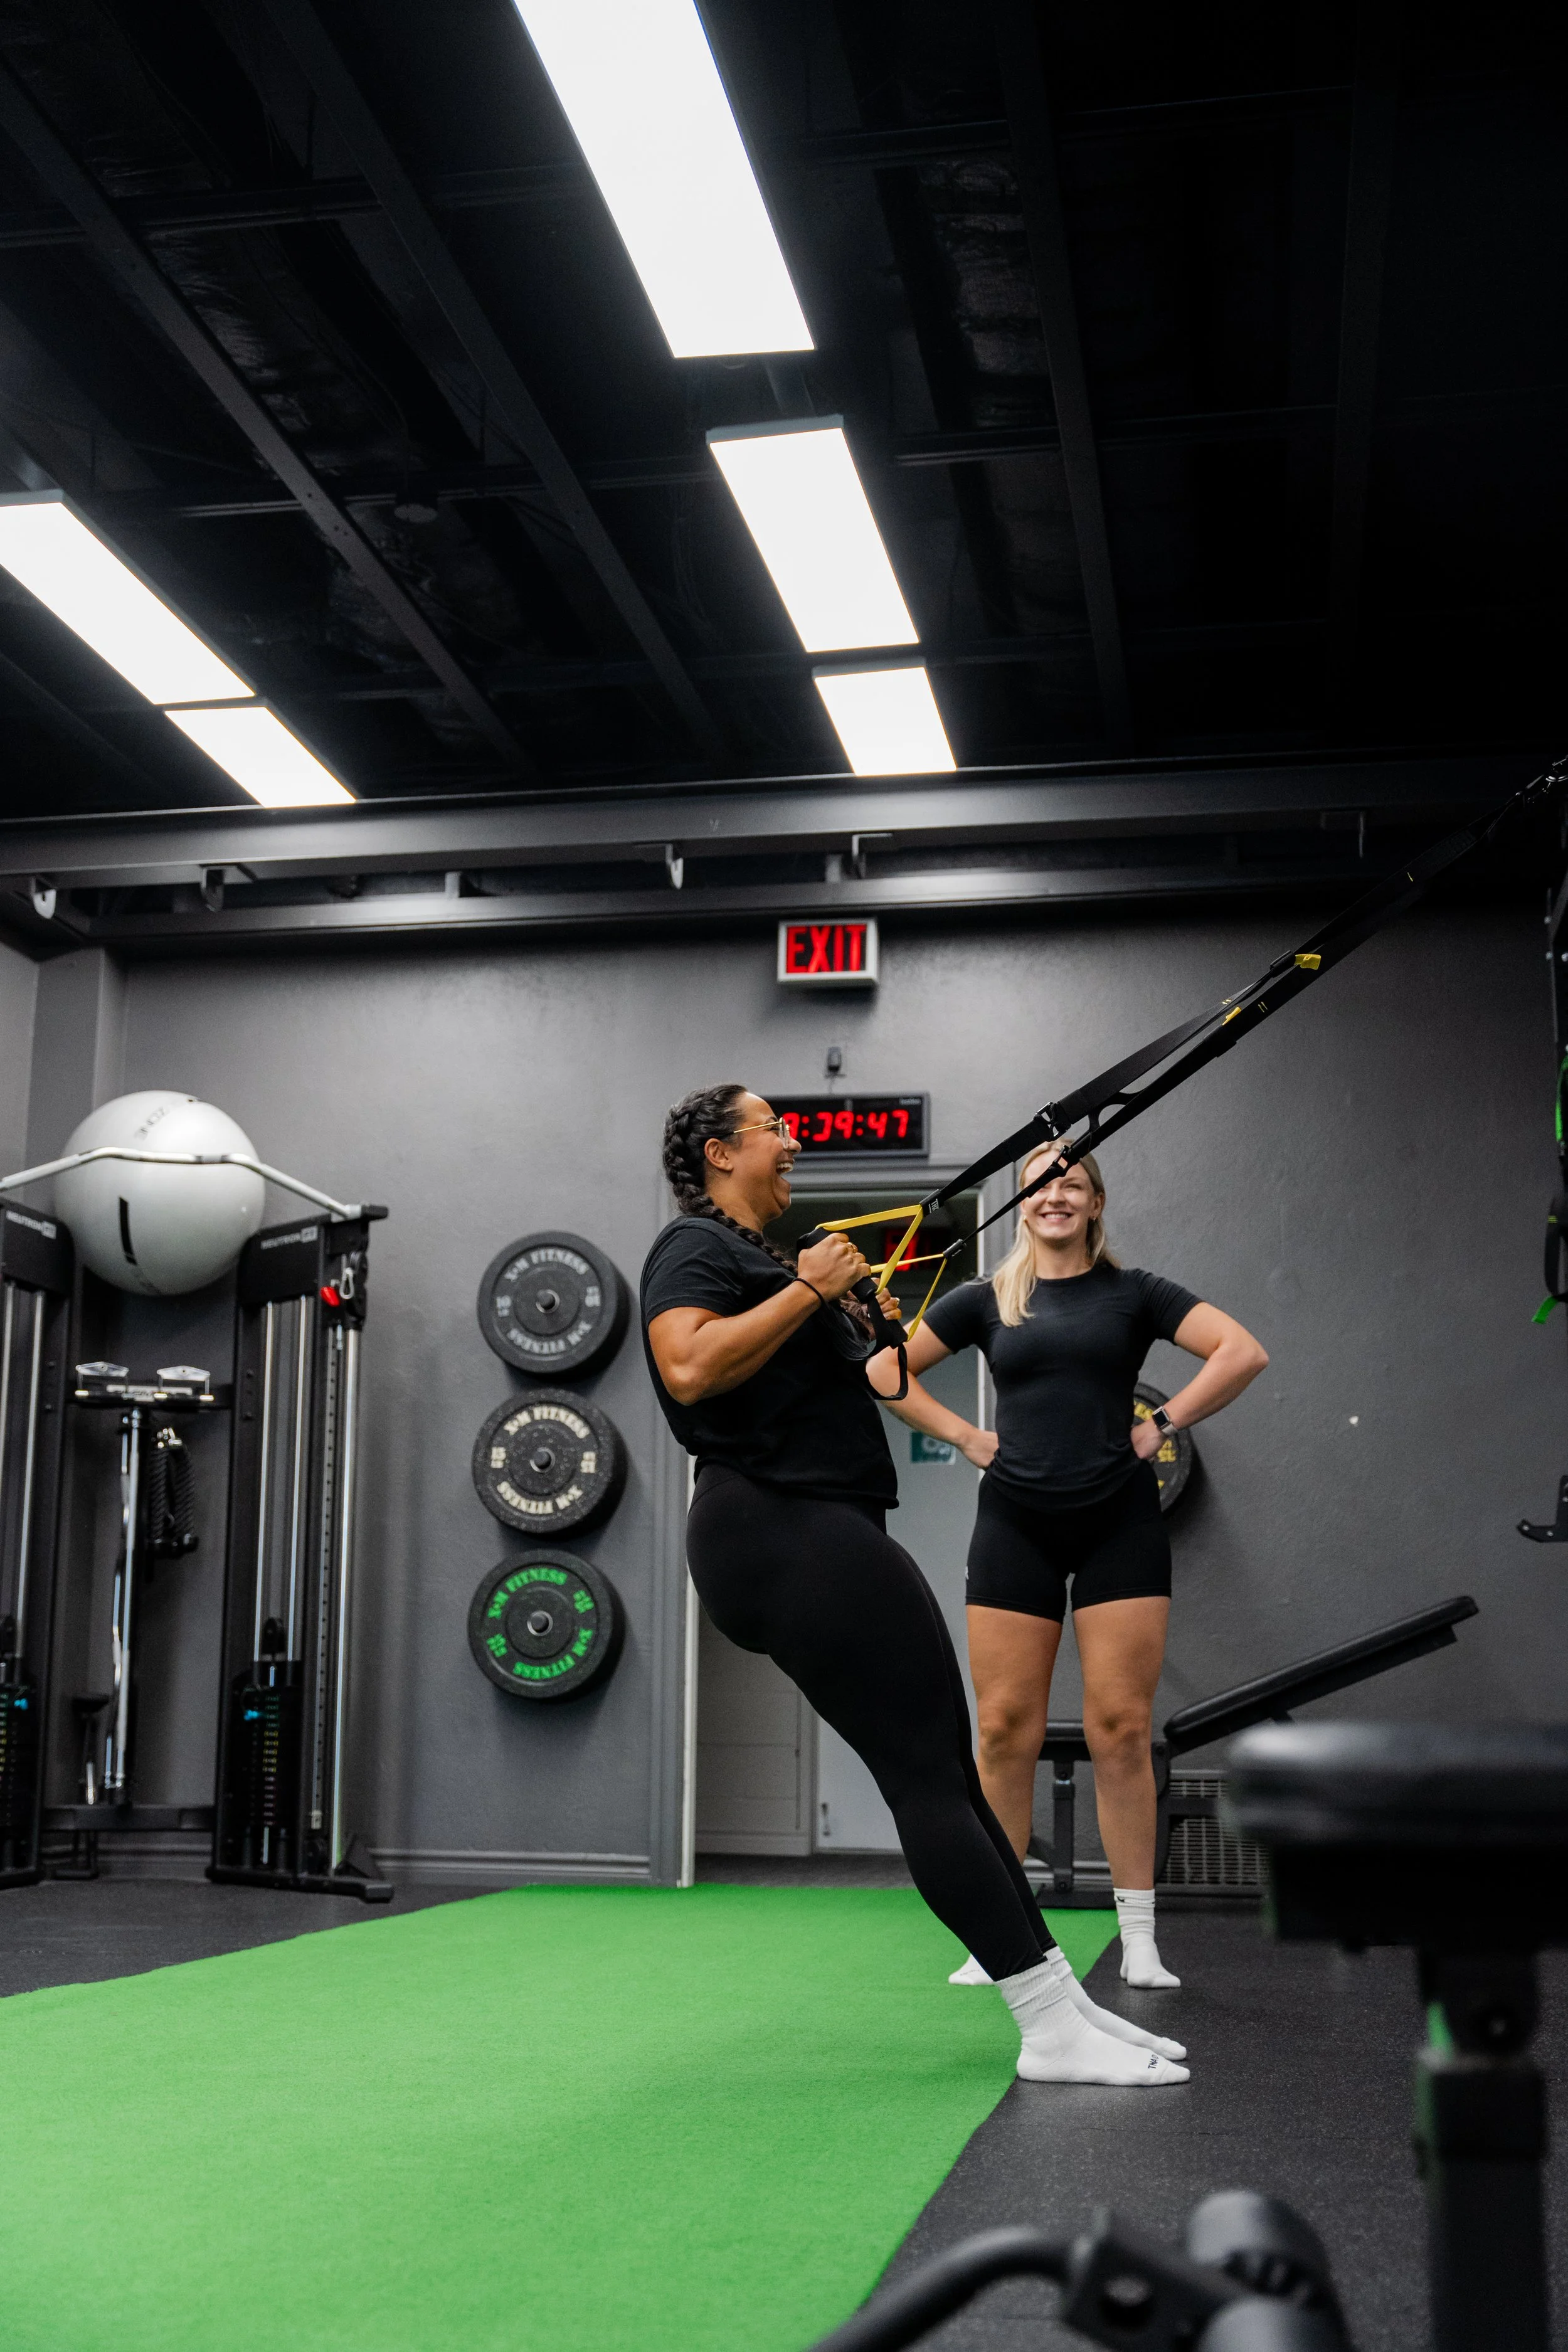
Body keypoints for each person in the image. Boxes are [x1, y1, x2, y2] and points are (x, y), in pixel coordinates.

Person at [642, 1085, 1189, 2086]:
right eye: (776, 1127)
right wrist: (810, 1293)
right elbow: (685, 1369)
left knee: (952, 1775)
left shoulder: (764, 1259)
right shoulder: (693, 1249)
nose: (793, 1139)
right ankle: (1047, 2028)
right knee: (932, 1777)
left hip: (821, 1523)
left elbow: (856, 1378)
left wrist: (861, 1321)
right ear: (723, 1152)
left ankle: (1065, 2005)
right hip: (775, 1525)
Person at [869, 1141, 1268, 1992]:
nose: (1056, 1195)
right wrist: (968, 1436)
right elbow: (882, 1369)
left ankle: (1141, 1940)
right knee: (1003, 1729)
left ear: (1095, 1202)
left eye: (1073, 1184)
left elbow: (1241, 1351)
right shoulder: (985, 1300)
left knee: (1119, 1729)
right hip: (1015, 1524)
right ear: (1022, 1204)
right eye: (1041, 1184)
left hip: (1118, 1525)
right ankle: (998, 1936)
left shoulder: (1135, 1294)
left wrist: (1164, 1423)